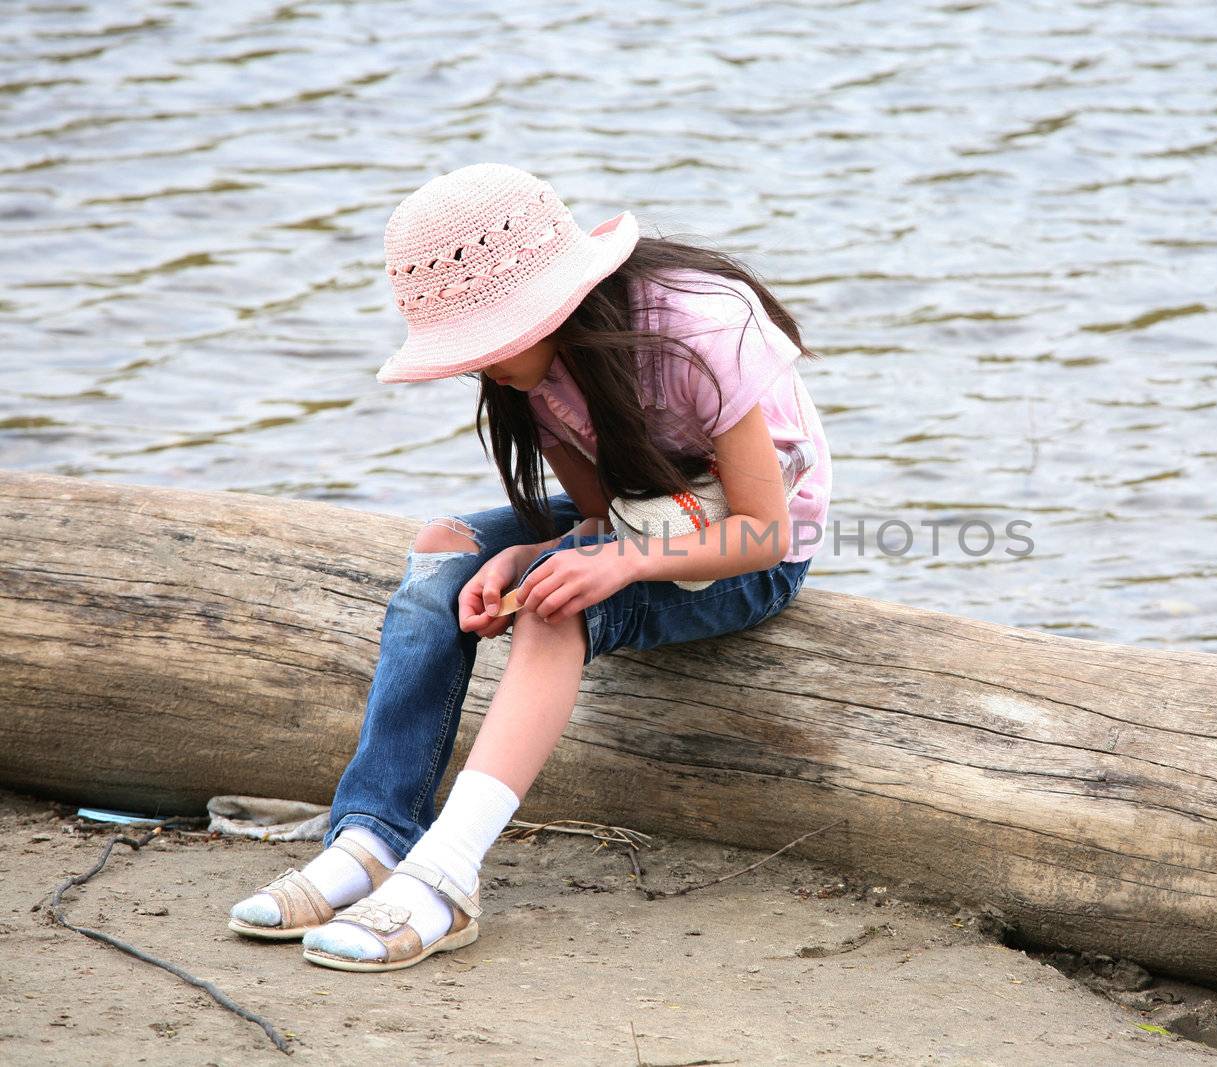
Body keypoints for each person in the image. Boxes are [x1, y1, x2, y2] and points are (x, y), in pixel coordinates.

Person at [225, 162, 831, 972]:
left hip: (746, 552)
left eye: (485, 344)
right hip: (638, 519)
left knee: (558, 602)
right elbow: (594, 515)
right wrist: (520, 555)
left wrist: (613, 562)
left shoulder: (699, 329)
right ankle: (373, 834)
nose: (478, 367)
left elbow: (762, 531)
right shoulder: (526, 372)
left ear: (552, 304)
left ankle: (446, 877)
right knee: (447, 550)